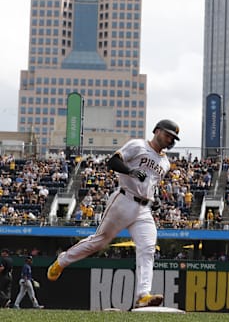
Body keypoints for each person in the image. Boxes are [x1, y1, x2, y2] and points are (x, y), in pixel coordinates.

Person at [47, 119, 180, 308]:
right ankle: (62, 261)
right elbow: (113, 161)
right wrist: (131, 171)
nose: (169, 139)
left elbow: (151, 182)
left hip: (144, 209)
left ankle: (143, 295)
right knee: (99, 242)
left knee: (148, 248)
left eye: (172, 137)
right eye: (167, 134)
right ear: (157, 131)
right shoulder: (138, 145)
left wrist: (153, 197)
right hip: (123, 200)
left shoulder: (165, 162)